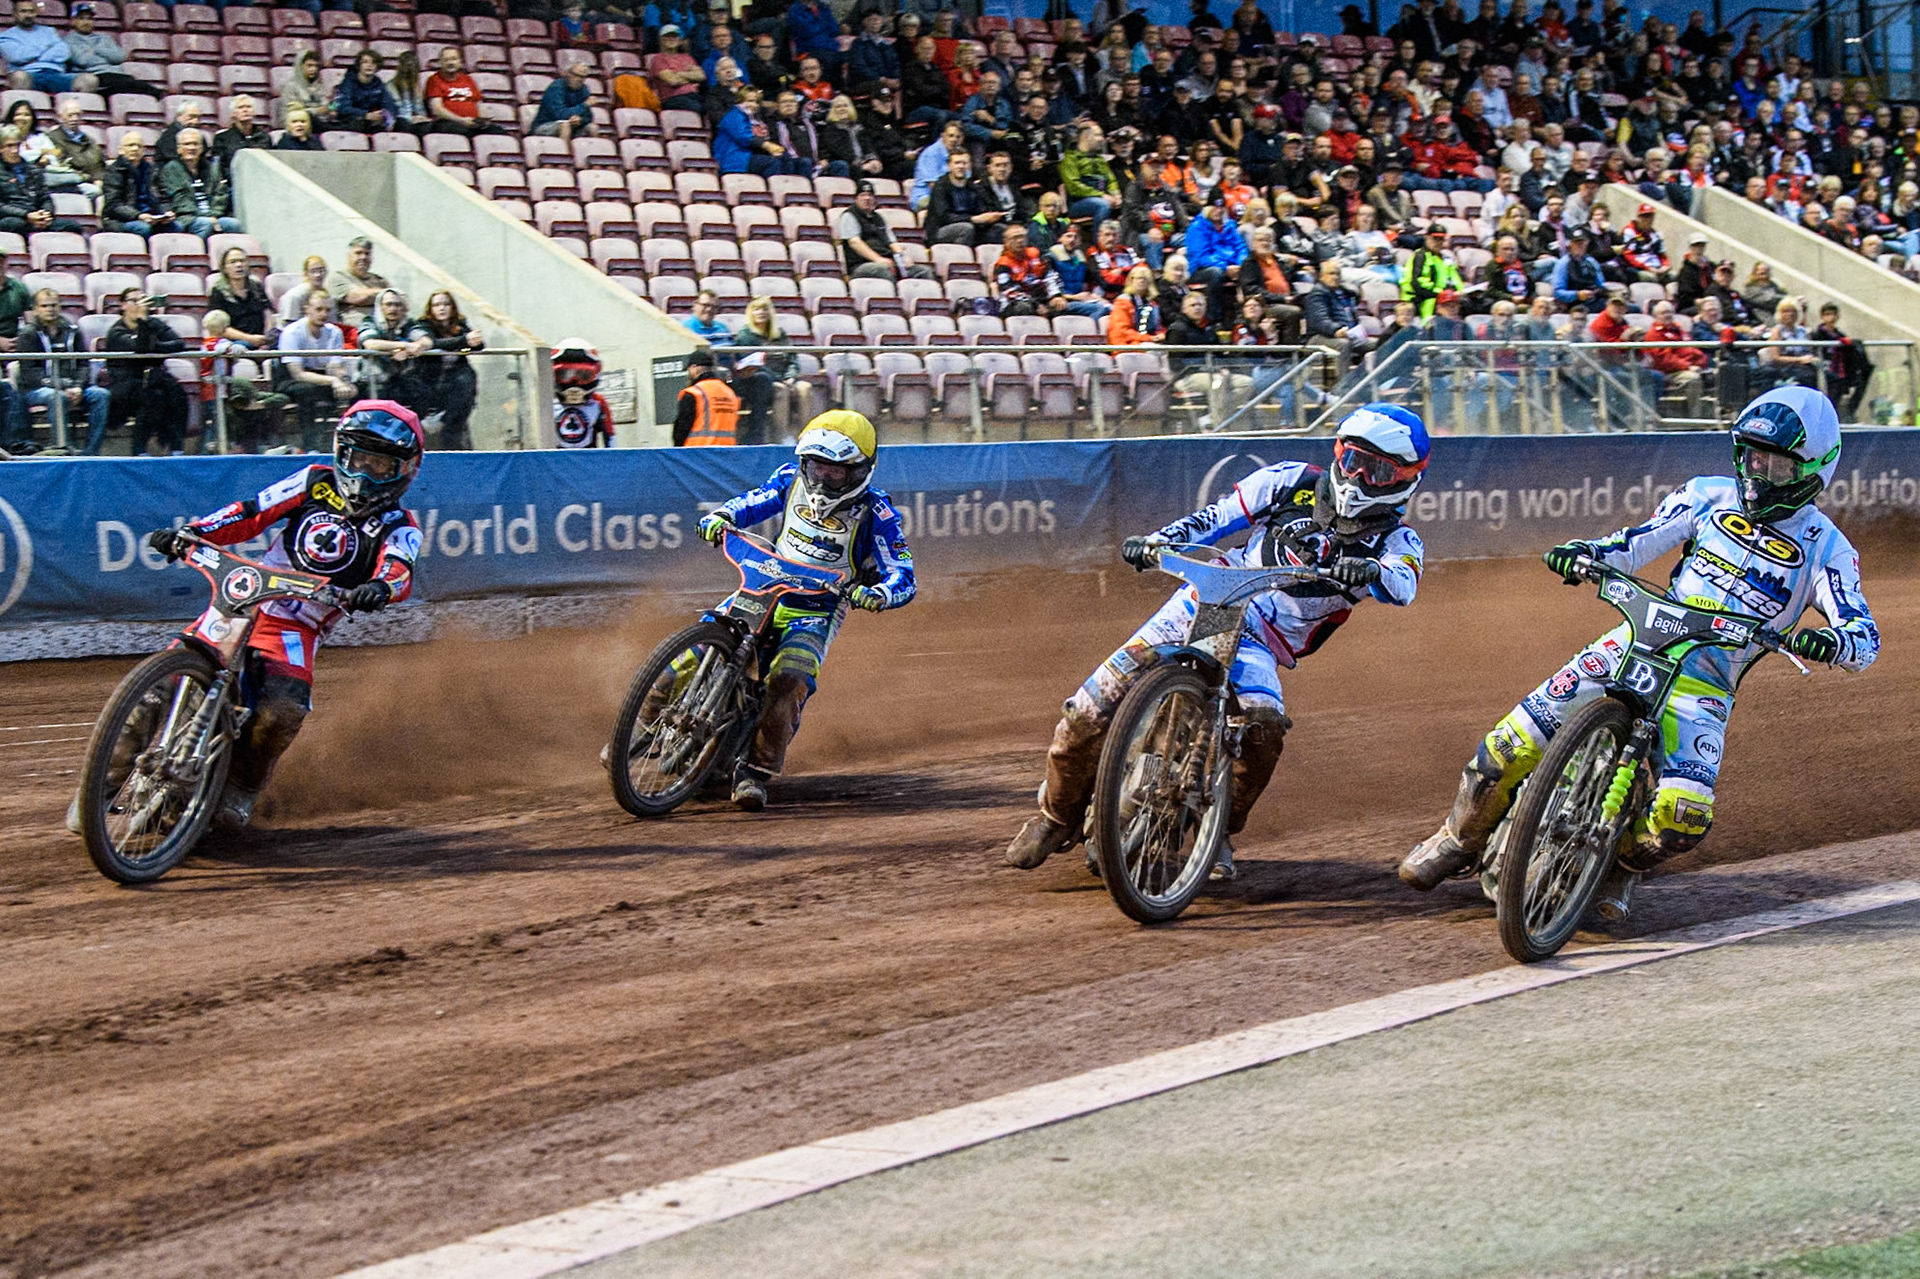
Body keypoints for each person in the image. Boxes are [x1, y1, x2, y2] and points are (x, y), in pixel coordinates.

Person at [1401, 388, 1878, 920]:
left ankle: (1617, 868)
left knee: (1682, 818)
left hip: (1705, 687)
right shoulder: (1707, 495)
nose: (1760, 472)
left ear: (1816, 469)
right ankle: (1456, 840)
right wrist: (1586, 553)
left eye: (1778, 464)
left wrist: (1833, 641)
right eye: (1752, 456)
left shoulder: (1827, 548)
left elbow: (1864, 636)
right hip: (1635, 643)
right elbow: (1636, 541)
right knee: (1508, 746)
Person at [1005, 404, 1432, 880]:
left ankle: (1219, 828)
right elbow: (1216, 517)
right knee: (1085, 711)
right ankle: (1055, 817)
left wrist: (1372, 570)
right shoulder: (1290, 481)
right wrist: (1158, 542)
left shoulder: (1399, 541)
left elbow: (1404, 584)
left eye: (1376, 469)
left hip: (1261, 643)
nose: (1357, 476)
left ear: (1405, 478)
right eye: (1352, 459)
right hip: (1206, 602)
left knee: (1264, 730)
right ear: (1338, 453)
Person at [134, 404, 423, 829]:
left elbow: (399, 570)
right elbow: (251, 513)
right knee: (158, 683)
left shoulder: (401, 525)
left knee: (283, 710)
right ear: (341, 453)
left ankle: (241, 787)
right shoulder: (313, 482)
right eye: (357, 458)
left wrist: (379, 588)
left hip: (298, 624)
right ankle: (108, 777)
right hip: (245, 599)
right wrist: (194, 533)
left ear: (404, 470)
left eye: (379, 464)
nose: (363, 472)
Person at [693, 411, 915, 810]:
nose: (821, 479)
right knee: (702, 644)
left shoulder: (877, 514)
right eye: (815, 467)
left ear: (861, 470)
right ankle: (641, 726)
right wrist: (722, 515)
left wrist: (879, 593)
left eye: (834, 473)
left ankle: (754, 773)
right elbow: (752, 502)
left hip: (816, 608)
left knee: (789, 677)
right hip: (764, 586)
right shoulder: (788, 479)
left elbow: (904, 574)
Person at [15, 286, 105, 452]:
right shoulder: (28, 334)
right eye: (44, 306)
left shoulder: (72, 330)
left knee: (101, 395)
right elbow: (30, 374)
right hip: (37, 389)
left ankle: (91, 451)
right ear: (35, 309)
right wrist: (62, 386)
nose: (50, 309)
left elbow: (83, 363)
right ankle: (64, 448)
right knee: (56, 397)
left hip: (73, 386)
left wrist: (78, 386)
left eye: (54, 305)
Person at [104, 286, 189, 455]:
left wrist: (155, 346)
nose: (139, 305)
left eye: (142, 300)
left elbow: (178, 344)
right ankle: (139, 450)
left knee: (177, 393)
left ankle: (176, 448)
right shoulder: (116, 332)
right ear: (122, 305)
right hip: (125, 383)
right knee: (152, 397)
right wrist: (144, 322)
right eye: (133, 301)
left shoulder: (153, 323)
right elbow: (141, 349)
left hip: (153, 377)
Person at [276, 291, 356, 450]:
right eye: (319, 309)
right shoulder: (292, 332)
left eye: (327, 310)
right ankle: (309, 446)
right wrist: (333, 381)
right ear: (307, 310)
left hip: (321, 377)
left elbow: (335, 366)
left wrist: (345, 382)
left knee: (358, 391)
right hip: (290, 379)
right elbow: (297, 373)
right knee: (307, 392)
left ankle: (351, 443)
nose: (323, 314)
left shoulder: (334, 332)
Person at [727, 296, 805, 445]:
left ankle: (805, 434)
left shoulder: (780, 334)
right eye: (756, 309)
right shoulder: (746, 335)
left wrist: (791, 376)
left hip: (785, 377)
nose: (761, 312)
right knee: (781, 391)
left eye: (764, 309)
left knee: (805, 389)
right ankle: (781, 437)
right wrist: (780, 380)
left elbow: (792, 359)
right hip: (764, 379)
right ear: (751, 313)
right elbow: (753, 363)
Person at [417, 290, 484, 450]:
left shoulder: (460, 326)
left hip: (456, 385)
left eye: (446, 304)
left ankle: (450, 433)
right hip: (429, 383)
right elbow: (432, 344)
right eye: (437, 305)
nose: (442, 308)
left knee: (467, 379)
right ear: (430, 309)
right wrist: (463, 341)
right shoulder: (423, 326)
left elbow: (478, 346)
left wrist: (473, 340)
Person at [836, 178, 931, 280]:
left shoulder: (878, 218)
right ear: (856, 199)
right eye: (863, 195)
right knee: (884, 269)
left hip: (888, 260)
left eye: (870, 195)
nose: (867, 198)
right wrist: (878, 259)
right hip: (861, 264)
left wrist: (904, 258)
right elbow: (855, 243)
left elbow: (892, 242)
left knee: (925, 271)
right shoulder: (849, 216)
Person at [157, 129, 241, 239]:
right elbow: (181, 201)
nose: (192, 148)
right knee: (204, 224)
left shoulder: (212, 168)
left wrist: (213, 214)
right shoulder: (171, 168)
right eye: (187, 144)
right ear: (179, 149)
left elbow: (220, 194)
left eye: (195, 144)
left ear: (201, 148)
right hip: (186, 217)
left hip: (212, 215)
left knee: (234, 224)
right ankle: (197, 254)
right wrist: (208, 217)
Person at [1, 0, 97, 94]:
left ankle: (72, 109)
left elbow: (64, 53)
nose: (28, 15)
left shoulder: (49, 31)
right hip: (28, 74)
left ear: (36, 13)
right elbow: (17, 57)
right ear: (14, 14)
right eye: (23, 11)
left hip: (56, 74)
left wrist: (34, 57)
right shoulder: (6, 35)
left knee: (89, 80)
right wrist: (46, 47)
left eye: (31, 11)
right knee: (19, 76)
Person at [0, 126, 79, 237]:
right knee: (13, 224)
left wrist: (46, 214)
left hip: (36, 215)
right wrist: (26, 215)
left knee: (72, 226)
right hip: (14, 217)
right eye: (9, 146)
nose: (14, 150)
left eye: (17, 145)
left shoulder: (33, 169)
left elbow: (45, 197)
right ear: (1, 148)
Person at [99, 129, 173, 239]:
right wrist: (138, 215)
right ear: (121, 150)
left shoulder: (152, 170)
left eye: (139, 146)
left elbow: (163, 197)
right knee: (143, 228)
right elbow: (113, 205)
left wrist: (166, 212)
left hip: (152, 217)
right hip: (121, 219)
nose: (135, 149)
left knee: (176, 227)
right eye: (130, 145)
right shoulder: (113, 171)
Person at [553, 337, 614, 448]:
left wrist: (612, 461)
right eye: (565, 375)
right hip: (555, 461)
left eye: (583, 376)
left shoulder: (598, 402)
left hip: (588, 461)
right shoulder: (546, 402)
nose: (574, 382)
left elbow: (609, 436)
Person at [671, 347, 738, 446]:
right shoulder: (729, 393)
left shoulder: (693, 393)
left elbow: (681, 430)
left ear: (694, 368)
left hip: (698, 453)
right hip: (726, 453)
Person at [424, 47, 493, 136]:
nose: (450, 63)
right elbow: (437, 109)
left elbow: (478, 103)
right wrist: (461, 120)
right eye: (446, 60)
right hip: (448, 122)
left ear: (460, 61)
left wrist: (480, 120)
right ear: (440, 63)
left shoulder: (467, 79)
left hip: (471, 123)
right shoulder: (434, 80)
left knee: (497, 131)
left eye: (454, 59)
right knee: (465, 132)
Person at [326, 237, 389, 332]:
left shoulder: (380, 280)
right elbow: (359, 297)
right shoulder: (338, 278)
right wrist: (385, 294)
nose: (363, 257)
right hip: (356, 333)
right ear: (349, 256)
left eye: (367, 254)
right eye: (358, 253)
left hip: (385, 329)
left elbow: (399, 299)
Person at [334, 49, 399, 135]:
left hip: (371, 121)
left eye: (373, 63)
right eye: (365, 62)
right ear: (359, 66)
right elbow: (343, 107)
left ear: (377, 67)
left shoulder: (379, 84)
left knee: (401, 123)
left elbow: (390, 104)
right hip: (351, 120)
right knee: (360, 124)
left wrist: (385, 115)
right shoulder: (348, 83)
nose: (369, 65)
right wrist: (365, 115)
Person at [532, 58, 595, 142]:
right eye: (575, 75)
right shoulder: (556, 87)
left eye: (582, 77)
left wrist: (580, 119)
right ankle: (564, 153)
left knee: (593, 127)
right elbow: (560, 115)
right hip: (545, 125)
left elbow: (588, 117)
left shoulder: (584, 89)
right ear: (567, 73)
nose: (579, 79)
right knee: (565, 125)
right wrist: (583, 105)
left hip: (571, 125)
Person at [280, 50, 334, 130]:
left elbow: (326, 107)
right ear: (300, 66)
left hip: (321, 124)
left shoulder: (321, 87)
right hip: (300, 126)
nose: (313, 69)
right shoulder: (291, 87)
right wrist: (316, 111)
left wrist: (331, 109)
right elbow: (292, 114)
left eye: (316, 66)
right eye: (309, 66)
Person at [211, 95, 271, 167]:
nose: (245, 110)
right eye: (240, 107)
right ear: (233, 113)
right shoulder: (222, 138)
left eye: (248, 107)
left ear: (254, 112)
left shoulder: (264, 137)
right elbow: (220, 166)